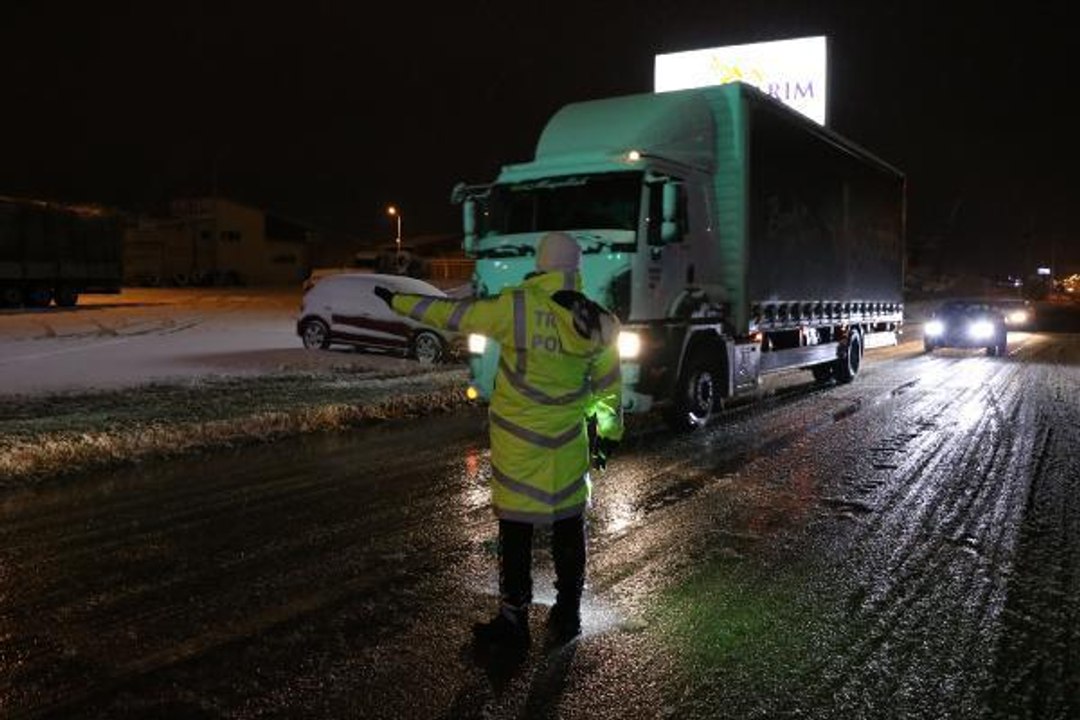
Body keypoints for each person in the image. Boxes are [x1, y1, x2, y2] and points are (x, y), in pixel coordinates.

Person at [373, 231, 623, 648]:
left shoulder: (517, 308)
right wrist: (610, 436)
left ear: (541, 264)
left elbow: (452, 314)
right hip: (567, 446)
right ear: (576, 270)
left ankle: (513, 622)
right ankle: (568, 613)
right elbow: (609, 389)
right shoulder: (599, 321)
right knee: (568, 528)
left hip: (519, 447)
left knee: (516, 532)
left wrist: (398, 301)